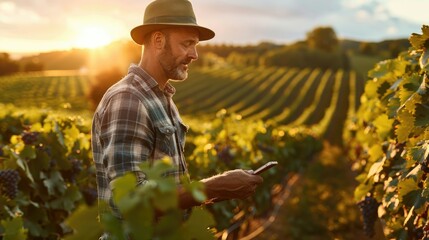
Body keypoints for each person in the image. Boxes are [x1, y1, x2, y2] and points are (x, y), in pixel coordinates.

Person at [91, 0, 264, 237]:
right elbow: (130, 201)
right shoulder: (129, 100)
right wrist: (214, 187)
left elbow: (166, 190)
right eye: (187, 44)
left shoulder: (162, 99)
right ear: (159, 40)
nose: (194, 54)